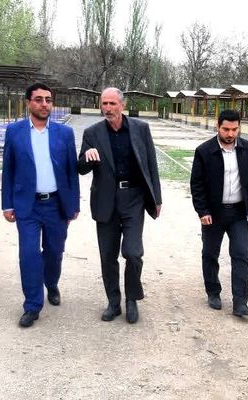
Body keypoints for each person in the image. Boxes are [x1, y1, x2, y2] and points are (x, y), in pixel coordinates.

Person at [77, 87, 162, 324]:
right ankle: (113, 302)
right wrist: (87, 157)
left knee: (133, 253)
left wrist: (156, 198)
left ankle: (131, 299)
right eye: (104, 104)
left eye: (112, 103)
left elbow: (151, 164)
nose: (108, 108)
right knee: (108, 256)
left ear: (122, 105)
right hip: (105, 200)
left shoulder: (140, 128)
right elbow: (80, 168)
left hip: (134, 198)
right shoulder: (92, 133)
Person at [1, 83, 80, 328]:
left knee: (54, 252)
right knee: (28, 254)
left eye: (48, 100)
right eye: (38, 99)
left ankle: (51, 283)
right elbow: (8, 169)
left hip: (56, 204)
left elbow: (71, 171)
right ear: (28, 103)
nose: (44, 104)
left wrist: (73, 204)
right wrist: (7, 204)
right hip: (27, 206)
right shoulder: (14, 132)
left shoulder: (64, 133)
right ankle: (32, 305)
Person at [190, 109, 248, 317]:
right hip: (213, 214)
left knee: (241, 255)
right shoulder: (204, 151)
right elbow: (196, 184)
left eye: (234, 129)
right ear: (217, 126)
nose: (230, 134)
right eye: (226, 129)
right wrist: (202, 211)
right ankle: (213, 292)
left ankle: (240, 302)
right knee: (210, 254)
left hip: (239, 213)